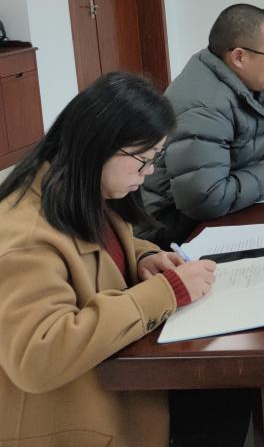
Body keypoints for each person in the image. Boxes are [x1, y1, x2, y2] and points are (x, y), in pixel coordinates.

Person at [0, 72, 217, 447]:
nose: (149, 172)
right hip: (77, 419)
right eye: (143, 160)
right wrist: (167, 292)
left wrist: (145, 258)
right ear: (99, 146)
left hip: (122, 383)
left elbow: (106, 248)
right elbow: (37, 358)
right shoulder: (26, 238)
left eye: (155, 158)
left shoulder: (78, 190)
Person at [137, 4, 264, 248]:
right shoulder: (204, 105)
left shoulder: (258, 79)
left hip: (231, 205)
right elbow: (205, 199)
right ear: (239, 57)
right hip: (174, 230)